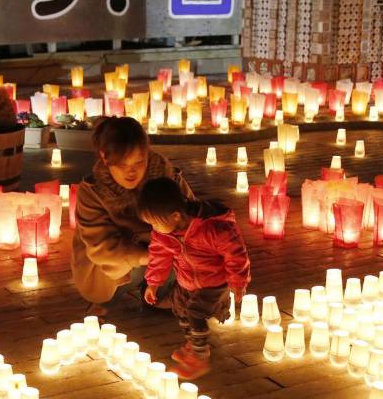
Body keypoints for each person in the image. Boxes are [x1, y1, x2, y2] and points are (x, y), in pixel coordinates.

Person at [71, 116, 193, 312]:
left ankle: (159, 295)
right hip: (116, 270)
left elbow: (194, 220)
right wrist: (151, 255)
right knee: (113, 271)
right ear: (105, 157)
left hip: (163, 259)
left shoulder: (167, 179)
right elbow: (102, 248)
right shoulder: (93, 192)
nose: (132, 172)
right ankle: (111, 300)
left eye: (139, 162)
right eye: (122, 165)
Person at [137, 177, 251, 379]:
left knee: (195, 313)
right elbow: (158, 256)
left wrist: (237, 281)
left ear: (175, 216)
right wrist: (153, 283)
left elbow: (236, 254)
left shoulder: (212, 228)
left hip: (213, 282)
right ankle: (193, 344)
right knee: (180, 309)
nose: (153, 227)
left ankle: (200, 357)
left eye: (155, 222)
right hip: (185, 280)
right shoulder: (163, 233)